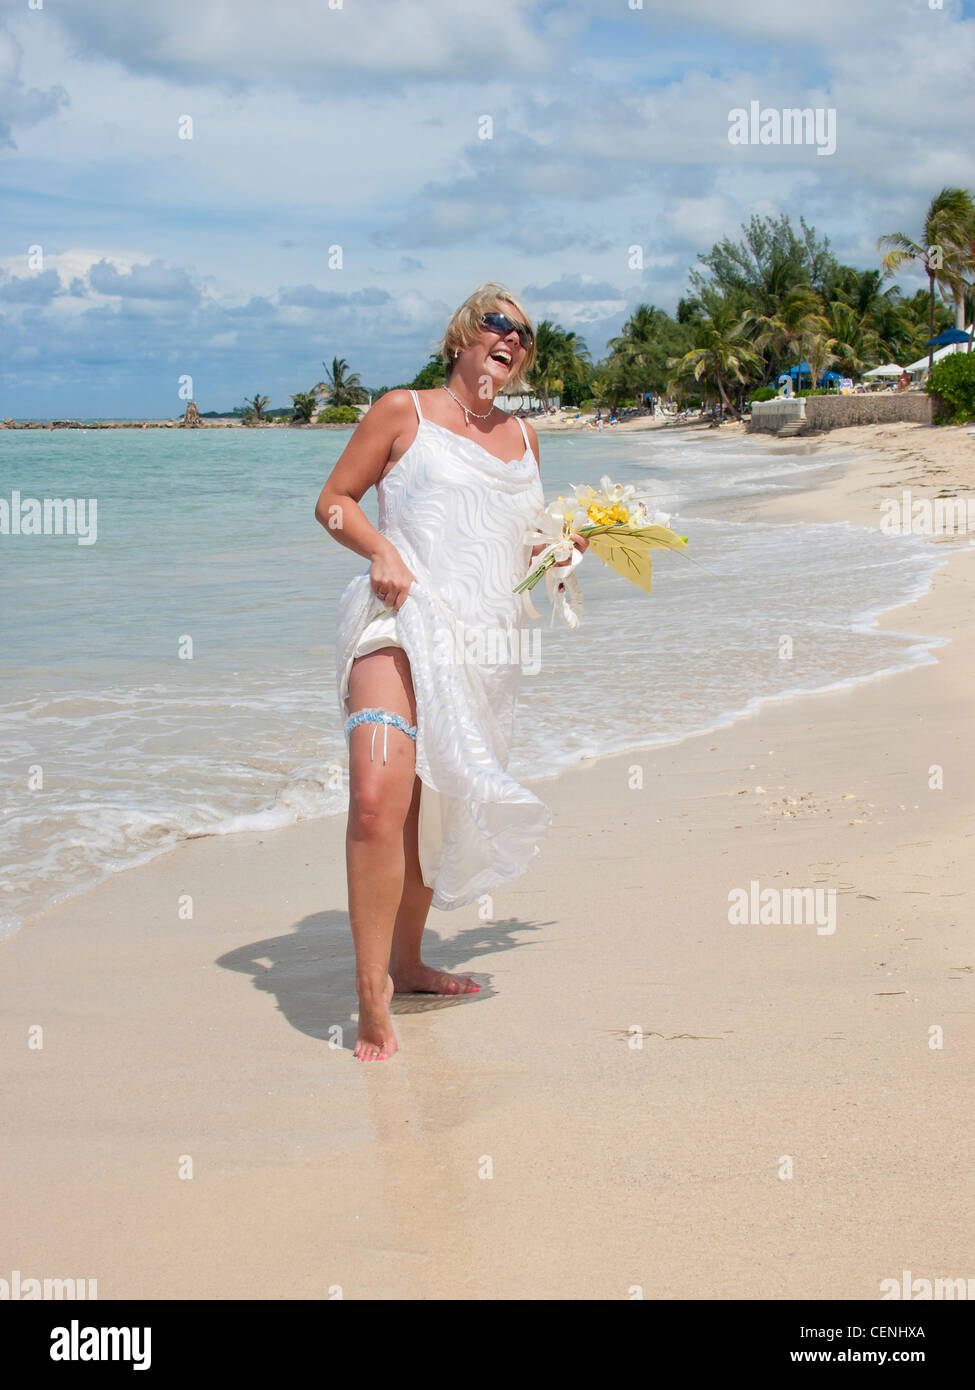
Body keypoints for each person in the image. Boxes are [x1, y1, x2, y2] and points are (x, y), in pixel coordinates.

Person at [314, 284, 588, 1061]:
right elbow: (334, 501)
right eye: (498, 323)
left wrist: (560, 555)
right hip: (395, 621)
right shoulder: (402, 410)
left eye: (526, 334)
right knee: (375, 796)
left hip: (481, 646)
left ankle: (408, 962)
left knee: (433, 808)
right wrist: (381, 550)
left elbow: (523, 549)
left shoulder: (527, 440)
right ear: (463, 335)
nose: (513, 338)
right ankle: (371, 996)